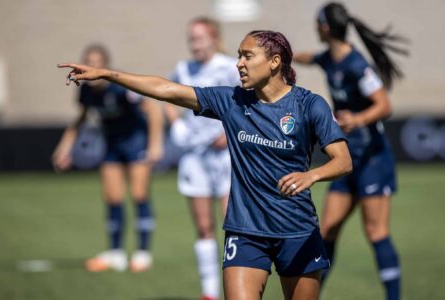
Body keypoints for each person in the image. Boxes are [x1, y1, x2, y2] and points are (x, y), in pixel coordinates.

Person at [58, 29, 352, 300]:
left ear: (275, 62)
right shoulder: (232, 101)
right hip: (246, 231)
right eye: (238, 55)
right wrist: (109, 74)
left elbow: (343, 161)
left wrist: (311, 175)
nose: (239, 63)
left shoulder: (310, 105)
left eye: (247, 56)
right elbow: (167, 89)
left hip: (297, 230)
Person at [293, 3, 408, 299]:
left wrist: (357, 119)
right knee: (327, 228)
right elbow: (308, 58)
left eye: (318, 23)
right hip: (346, 159)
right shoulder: (329, 58)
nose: (315, 28)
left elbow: (384, 105)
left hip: (373, 159)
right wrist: (281, 57)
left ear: (326, 27)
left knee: (375, 232)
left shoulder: (357, 65)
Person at [53, 44, 164, 272]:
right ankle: (116, 253)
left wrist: (155, 144)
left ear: (105, 65)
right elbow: (81, 118)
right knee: (113, 197)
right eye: (88, 61)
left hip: (136, 141)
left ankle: (142, 253)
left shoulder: (120, 85)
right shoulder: (85, 90)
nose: (91, 66)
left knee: (138, 194)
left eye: (96, 62)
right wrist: (65, 148)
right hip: (112, 143)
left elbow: (152, 109)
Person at [165, 17, 240, 300]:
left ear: (213, 38)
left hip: (225, 157)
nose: (194, 44)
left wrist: (230, 132)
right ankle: (209, 293)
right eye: (191, 38)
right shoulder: (184, 69)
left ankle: (235, 288)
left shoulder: (228, 67)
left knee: (231, 225)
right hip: (195, 157)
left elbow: (247, 102)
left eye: (199, 38)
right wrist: (176, 124)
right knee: (204, 226)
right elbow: (166, 97)